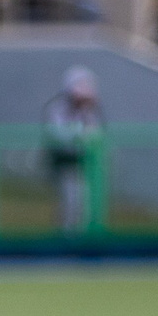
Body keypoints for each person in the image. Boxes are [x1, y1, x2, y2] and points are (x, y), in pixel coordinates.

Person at [43, 65, 104, 235]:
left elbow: (95, 134)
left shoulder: (89, 112)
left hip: (84, 163)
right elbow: (57, 134)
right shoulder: (58, 108)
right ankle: (66, 236)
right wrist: (78, 133)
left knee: (84, 202)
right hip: (65, 163)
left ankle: (80, 236)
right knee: (69, 200)